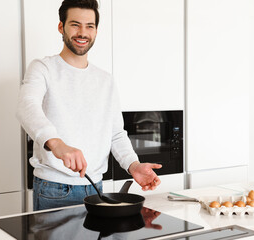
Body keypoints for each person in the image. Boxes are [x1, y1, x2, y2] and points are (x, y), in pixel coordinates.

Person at [16, 0, 162, 211]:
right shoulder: (43, 68)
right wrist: (58, 144)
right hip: (54, 190)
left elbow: (116, 134)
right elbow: (26, 105)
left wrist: (134, 165)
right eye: (75, 24)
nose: (82, 32)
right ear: (61, 27)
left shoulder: (105, 80)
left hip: (96, 189)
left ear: (95, 31)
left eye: (89, 26)